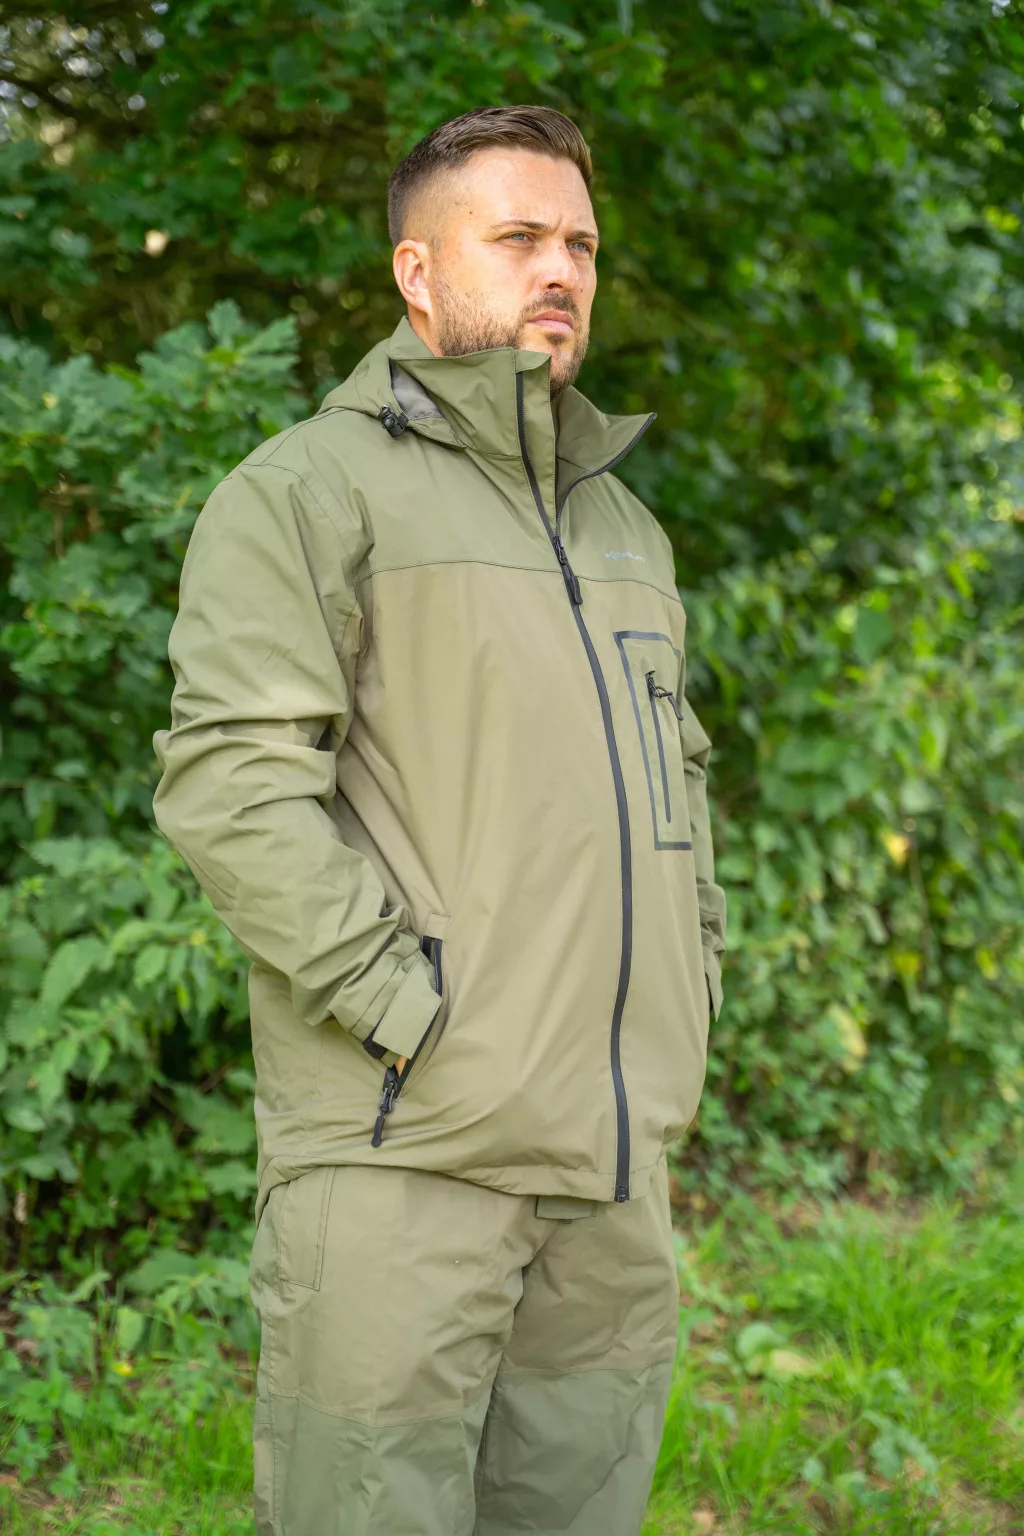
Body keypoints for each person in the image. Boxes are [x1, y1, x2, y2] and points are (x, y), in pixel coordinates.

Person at [153, 103, 726, 1536]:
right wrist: (402, 1011)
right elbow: (231, 783)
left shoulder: (623, 529)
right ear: (417, 272)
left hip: (612, 1180)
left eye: (580, 243)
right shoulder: (307, 491)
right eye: (519, 236)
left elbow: (681, 789)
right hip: (407, 1158)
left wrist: (692, 985)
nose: (562, 269)